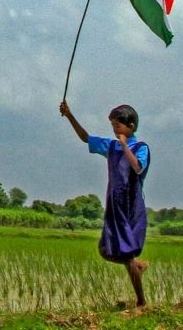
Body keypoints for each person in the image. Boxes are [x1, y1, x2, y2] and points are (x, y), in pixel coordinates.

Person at [59, 99, 150, 308]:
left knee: (126, 255)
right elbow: (86, 138)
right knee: (104, 249)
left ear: (131, 126)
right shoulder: (110, 146)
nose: (114, 130)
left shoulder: (141, 148)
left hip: (131, 207)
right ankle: (136, 267)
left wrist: (125, 145)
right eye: (112, 126)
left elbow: (137, 168)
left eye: (117, 126)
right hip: (114, 205)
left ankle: (141, 302)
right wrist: (70, 115)